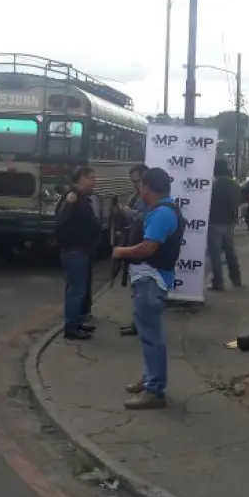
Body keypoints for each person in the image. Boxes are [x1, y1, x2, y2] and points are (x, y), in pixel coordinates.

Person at [111, 167, 185, 410]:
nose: (138, 188)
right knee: (148, 336)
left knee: (152, 337)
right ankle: (150, 378)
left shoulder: (163, 213)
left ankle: (155, 390)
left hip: (151, 281)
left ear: (149, 188)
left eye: (141, 184)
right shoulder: (160, 209)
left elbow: (148, 248)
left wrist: (121, 252)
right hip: (148, 279)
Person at [56, 166, 100, 340]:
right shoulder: (72, 197)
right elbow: (62, 222)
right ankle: (71, 328)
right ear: (81, 178)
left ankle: (77, 321)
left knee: (80, 288)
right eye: (91, 177)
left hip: (82, 249)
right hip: (75, 250)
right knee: (76, 289)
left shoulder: (83, 197)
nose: (94, 181)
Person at [116, 163, 148, 336]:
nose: (134, 185)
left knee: (141, 290)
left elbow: (146, 217)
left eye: (137, 181)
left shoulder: (148, 198)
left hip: (143, 248)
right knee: (136, 289)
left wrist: (129, 212)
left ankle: (140, 325)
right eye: (132, 182)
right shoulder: (135, 196)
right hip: (134, 246)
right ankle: (136, 323)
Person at [207, 159, 242, 290]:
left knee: (215, 254)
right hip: (229, 222)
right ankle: (236, 278)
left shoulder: (213, 185)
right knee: (230, 251)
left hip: (215, 221)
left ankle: (218, 281)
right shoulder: (235, 184)